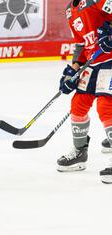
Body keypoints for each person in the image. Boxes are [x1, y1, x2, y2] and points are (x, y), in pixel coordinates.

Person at [58, 0, 112, 183]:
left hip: (110, 60)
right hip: (93, 63)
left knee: (106, 107)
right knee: (78, 105)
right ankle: (80, 152)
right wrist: (73, 69)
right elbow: (81, 44)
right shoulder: (69, 10)